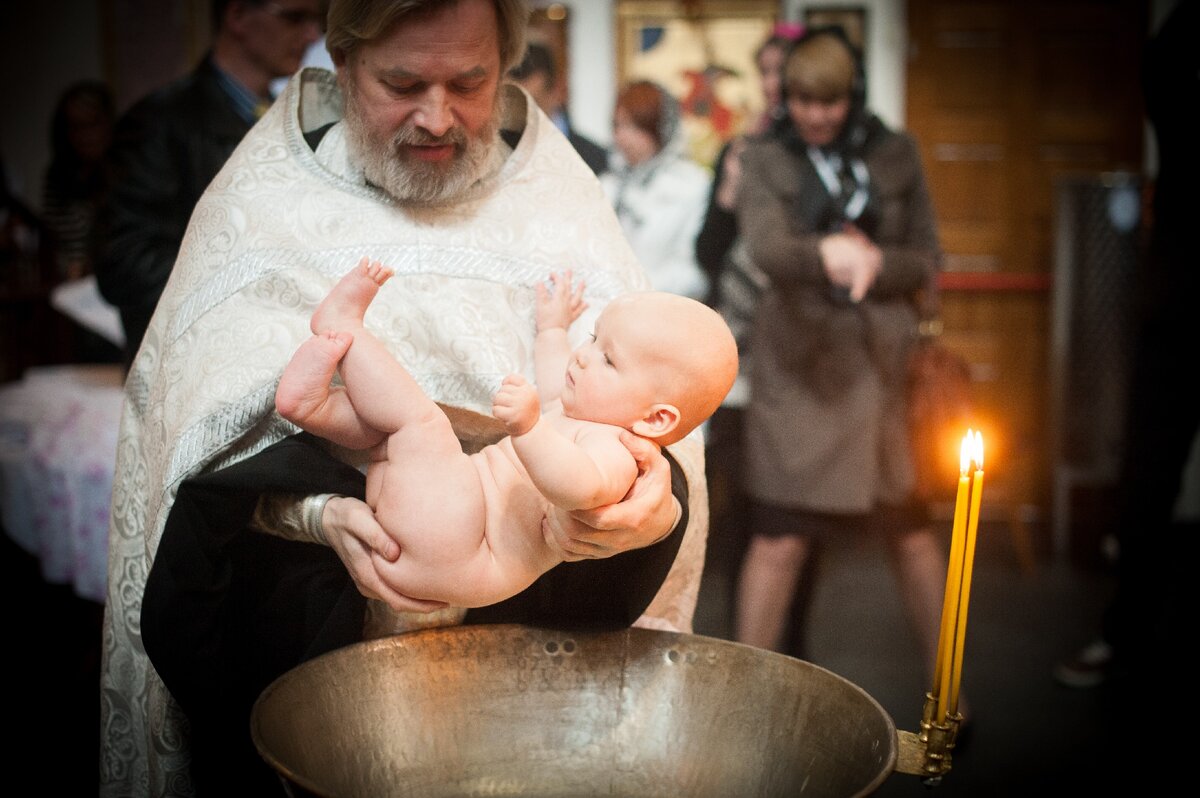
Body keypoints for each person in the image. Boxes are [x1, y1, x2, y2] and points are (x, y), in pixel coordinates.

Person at [103, 1, 709, 795]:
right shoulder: (263, 200)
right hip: (305, 633)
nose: (437, 117)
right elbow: (193, 443)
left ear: (507, 65)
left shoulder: (562, 201)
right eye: (402, 82)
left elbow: (658, 411)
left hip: (523, 649)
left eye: (469, 81)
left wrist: (646, 506)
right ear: (343, 64)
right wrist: (318, 515)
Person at [277, 262, 736, 607]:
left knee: (420, 424)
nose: (583, 356)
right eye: (592, 338)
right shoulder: (582, 408)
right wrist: (553, 329)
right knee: (386, 438)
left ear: (656, 420)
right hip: (439, 534)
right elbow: (555, 369)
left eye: (608, 359)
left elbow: (579, 487)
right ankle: (313, 408)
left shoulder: (619, 452)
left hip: (466, 550)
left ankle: (345, 328)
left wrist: (529, 429)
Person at [729, 27, 954, 709]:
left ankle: (951, 696)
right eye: (800, 99)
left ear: (852, 96)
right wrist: (827, 251)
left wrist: (879, 262)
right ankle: (734, 702)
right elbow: (765, 247)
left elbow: (927, 255)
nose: (815, 115)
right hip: (800, 369)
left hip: (884, 372)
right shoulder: (766, 156)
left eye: (828, 102)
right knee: (777, 538)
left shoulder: (895, 151)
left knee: (913, 535)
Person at [1054, 1, 1198, 707]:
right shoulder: (1181, 51)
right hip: (1177, 306)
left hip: (1170, 301)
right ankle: (1127, 634)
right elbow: (1165, 72)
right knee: (1144, 481)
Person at [93, 0, 323, 366]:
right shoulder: (160, 122)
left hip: (280, 359)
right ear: (237, 16)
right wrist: (258, 286)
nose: (313, 35)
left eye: (319, 19)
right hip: (192, 367)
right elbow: (125, 262)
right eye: (295, 17)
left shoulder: (293, 120)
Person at [693, 26, 802, 635]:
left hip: (795, 354)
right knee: (741, 512)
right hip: (738, 360)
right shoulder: (740, 149)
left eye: (781, 71)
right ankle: (746, 644)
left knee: (794, 520)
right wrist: (730, 194)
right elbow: (708, 252)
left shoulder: (814, 158)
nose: (771, 84)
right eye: (763, 71)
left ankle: (795, 649)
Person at [599, 80, 711, 301]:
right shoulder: (607, 185)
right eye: (617, 126)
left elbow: (693, 267)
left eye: (635, 126)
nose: (622, 137)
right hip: (607, 310)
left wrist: (638, 293)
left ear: (660, 128)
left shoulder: (692, 184)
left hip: (667, 310)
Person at [40, 80, 115, 283]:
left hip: (115, 285)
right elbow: (56, 239)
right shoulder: (59, 177)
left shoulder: (125, 172)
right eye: (76, 127)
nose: (85, 136)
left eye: (92, 124)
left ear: (108, 123)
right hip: (69, 286)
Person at [508, 39, 608, 175]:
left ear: (557, 91)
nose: (522, 113)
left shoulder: (596, 159)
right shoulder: (491, 159)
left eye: (533, 103)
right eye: (513, 102)